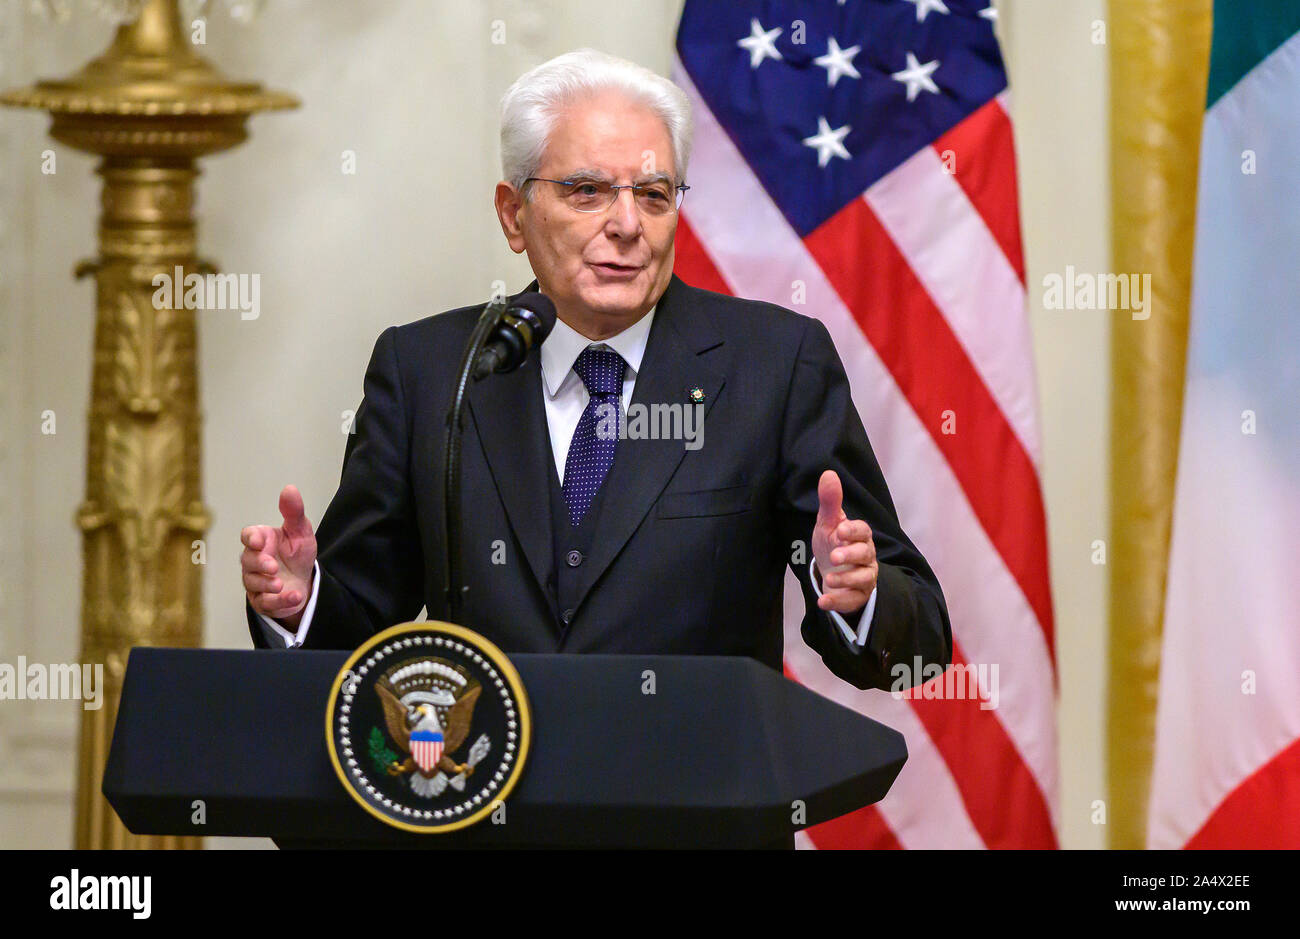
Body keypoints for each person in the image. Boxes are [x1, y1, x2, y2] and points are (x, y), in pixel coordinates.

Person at [240, 49, 949, 692]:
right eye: (587, 191)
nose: (627, 224)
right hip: (490, 812)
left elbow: (919, 642)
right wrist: (302, 603)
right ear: (514, 214)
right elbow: (353, 640)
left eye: (652, 194)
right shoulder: (430, 372)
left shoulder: (776, 365)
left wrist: (861, 595)